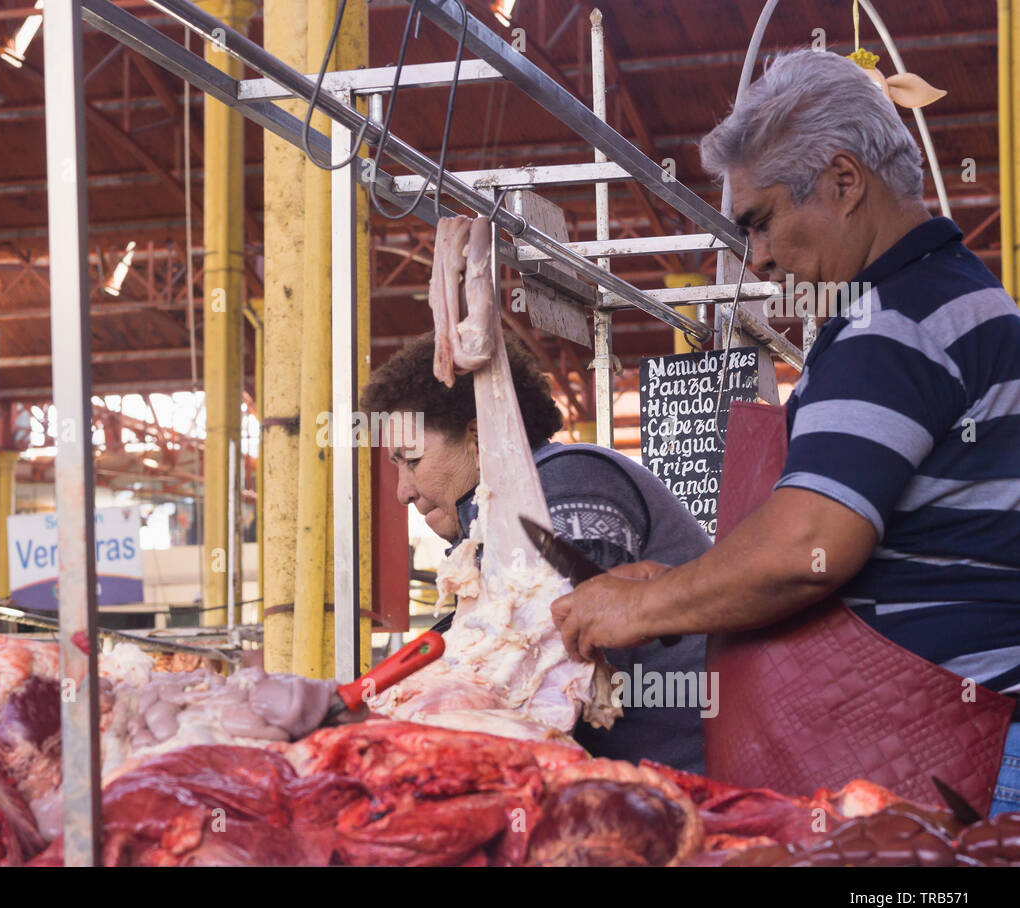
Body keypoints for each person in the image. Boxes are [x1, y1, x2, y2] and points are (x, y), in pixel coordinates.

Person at [550, 49, 1020, 815]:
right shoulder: (953, 302)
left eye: (761, 221)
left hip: (957, 767)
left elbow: (811, 547)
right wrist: (674, 587)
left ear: (843, 182)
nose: (758, 257)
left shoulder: (894, 324)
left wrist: (645, 609)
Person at [362, 331, 712, 772]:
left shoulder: (569, 480)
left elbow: (538, 663)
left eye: (411, 461)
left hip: (694, 783)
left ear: (476, 437)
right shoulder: (497, 524)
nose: (403, 492)